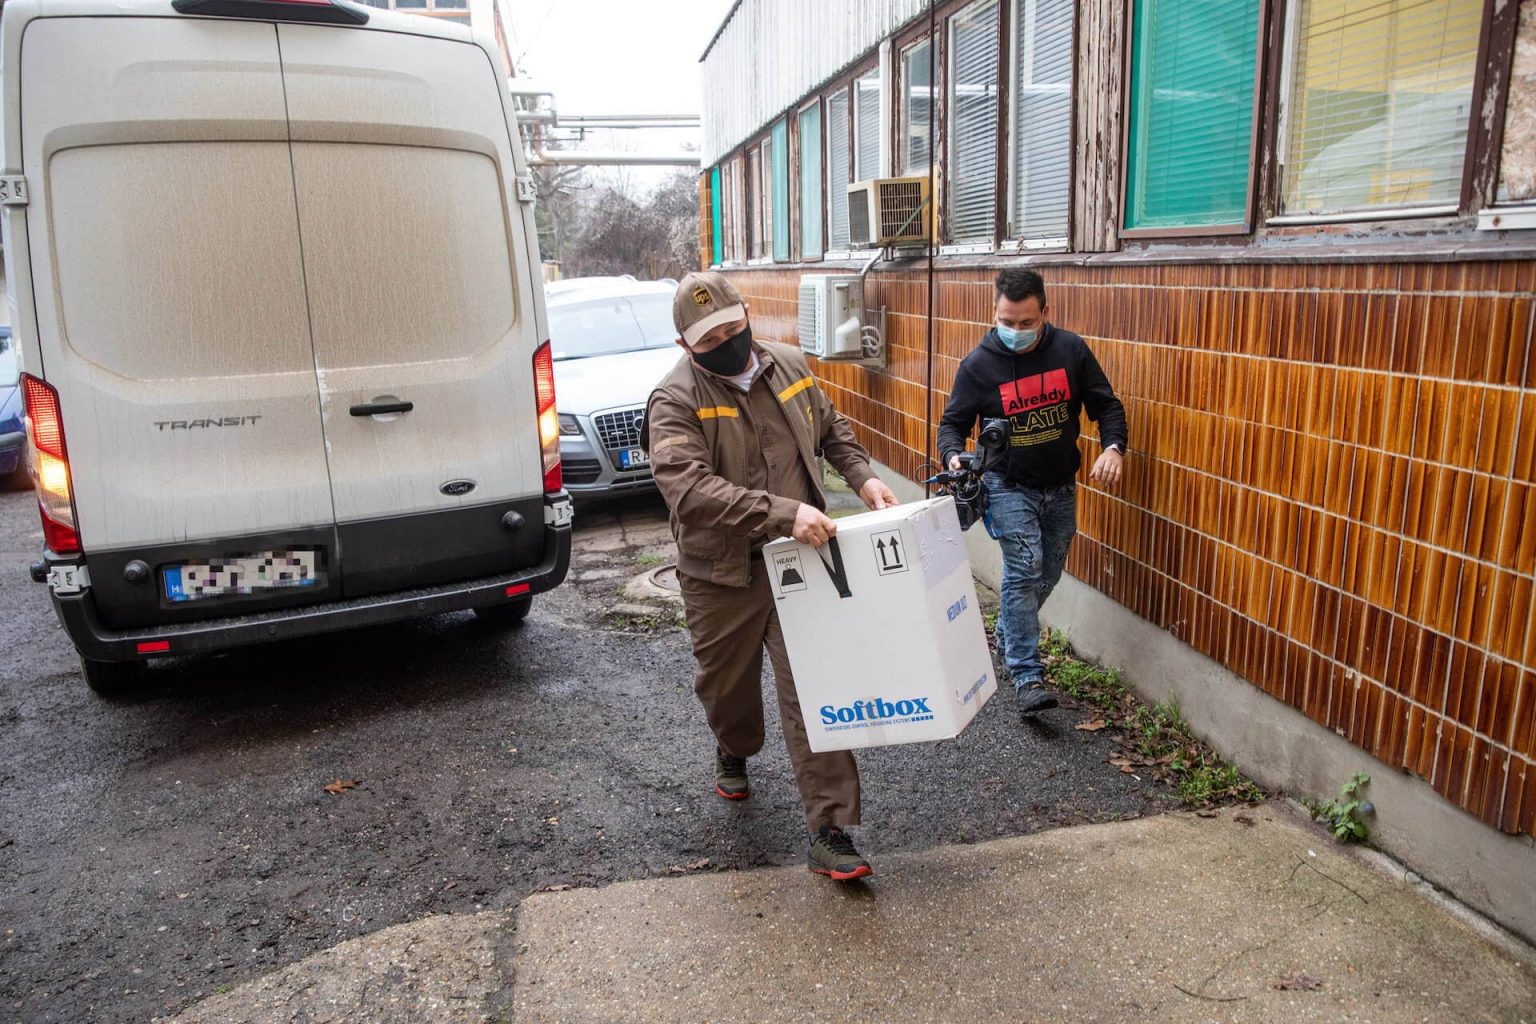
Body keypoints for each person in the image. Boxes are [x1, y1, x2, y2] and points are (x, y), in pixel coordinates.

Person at [641, 271, 900, 881]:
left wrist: (863, 477)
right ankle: (732, 746)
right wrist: (784, 513)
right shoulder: (674, 399)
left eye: (732, 329)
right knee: (728, 693)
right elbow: (689, 490)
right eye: (709, 340)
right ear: (685, 346)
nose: (725, 343)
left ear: (748, 314)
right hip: (720, 575)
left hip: (800, 565)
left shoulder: (790, 365)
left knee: (815, 690)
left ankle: (830, 831)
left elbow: (831, 430)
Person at [937, 268, 1127, 717]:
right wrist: (953, 456)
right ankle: (1026, 674)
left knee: (1050, 569)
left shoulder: (1070, 351)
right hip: (1006, 484)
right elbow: (952, 425)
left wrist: (1113, 448)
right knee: (1025, 568)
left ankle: (1008, 631)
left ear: (1045, 312)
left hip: (1060, 484)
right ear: (994, 313)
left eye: (1026, 322)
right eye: (1007, 321)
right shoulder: (978, 365)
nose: (1015, 331)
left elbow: (1106, 405)